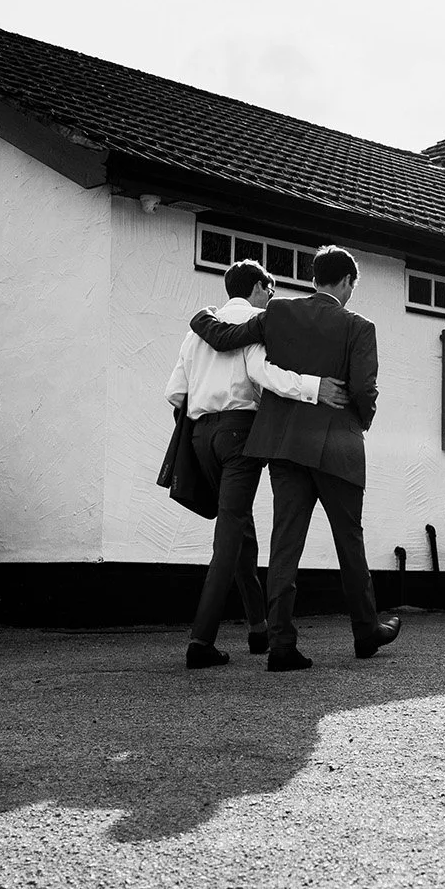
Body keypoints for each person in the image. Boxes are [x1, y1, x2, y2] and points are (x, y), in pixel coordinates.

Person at [191, 245, 399, 671]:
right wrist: (362, 418)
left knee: (284, 542)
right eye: (352, 285)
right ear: (345, 283)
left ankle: (282, 643)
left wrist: (199, 318)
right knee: (349, 538)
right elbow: (364, 388)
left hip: (284, 445)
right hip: (337, 443)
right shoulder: (360, 326)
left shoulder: (279, 313)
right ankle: (365, 631)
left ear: (313, 278)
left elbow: (227, 339)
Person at [165, 259, 346, 670]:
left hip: (201, 436)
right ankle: (201, 640)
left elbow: (175, 392)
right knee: (229, 538)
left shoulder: (197, 332)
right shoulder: (255, 325)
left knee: (239, 528)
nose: (273, 295)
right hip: (239, 436)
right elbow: (264, 374)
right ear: (259, 286)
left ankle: (258, 627)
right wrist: (316, 389)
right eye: (271, 287)